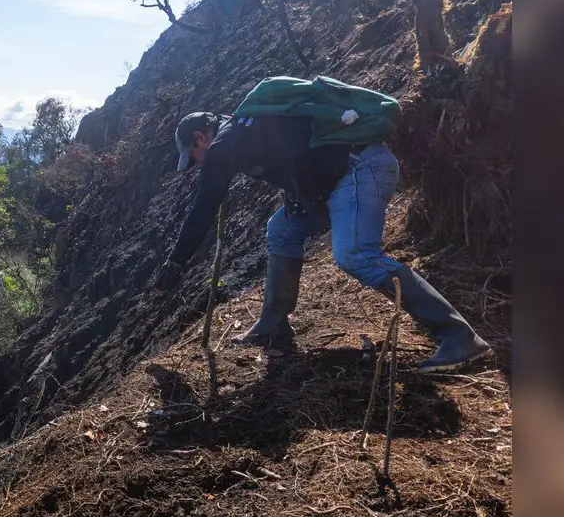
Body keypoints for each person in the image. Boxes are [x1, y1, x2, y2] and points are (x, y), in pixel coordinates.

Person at [153, 75, 491, 373]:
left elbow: (203, 207)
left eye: (192, 157)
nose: (197, 165)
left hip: (362, 169)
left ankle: (458, 335)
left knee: (354, 254)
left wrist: (176, 262)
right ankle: (273, 322)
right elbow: (300, 152)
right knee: (282, 228)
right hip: (351, 171)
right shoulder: (250, 126)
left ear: (200, 138)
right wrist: (299, 193)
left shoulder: (226, 143)